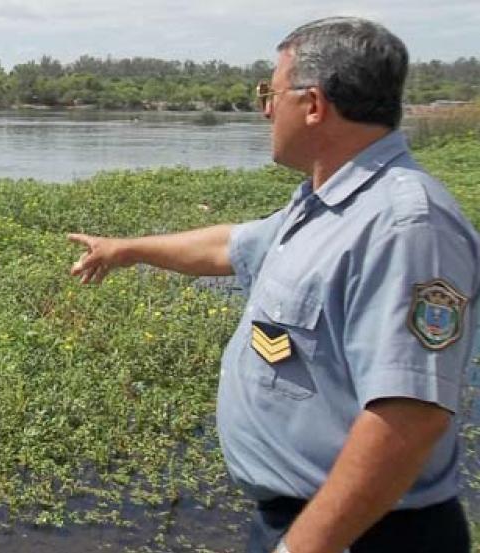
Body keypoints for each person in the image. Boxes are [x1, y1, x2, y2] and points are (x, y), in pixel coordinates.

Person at [68, 17, 479, 553]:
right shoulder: (324, 203)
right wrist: (127, 249)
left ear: (313, 105)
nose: (265, 109)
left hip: (364, 534)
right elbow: (229, 247)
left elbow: (409, 417)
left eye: (271, 92)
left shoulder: (405, 225)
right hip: (309, 523)